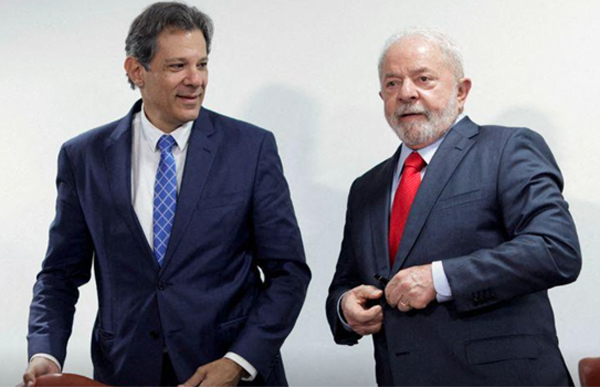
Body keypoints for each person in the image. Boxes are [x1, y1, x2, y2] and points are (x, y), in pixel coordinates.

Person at [24, 2, 310, 386]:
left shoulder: (251, 148)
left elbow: (288, 273)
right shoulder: (84, 157)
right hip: (127, 372)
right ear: (136, 71)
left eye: (202, 64)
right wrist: (45, 351)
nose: (196, 80)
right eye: (178, 66)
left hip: (228, 373)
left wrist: (238, 360)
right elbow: (59, 274)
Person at [326, 29, 581, 386]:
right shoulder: (366, 188)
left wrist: (441, 278)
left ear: (461, 91)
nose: (406, 93)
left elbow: (556, 250)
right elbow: (346, 282)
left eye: (423, 79)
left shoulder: (507, 148)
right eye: (392, 83)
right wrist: (344, 308)